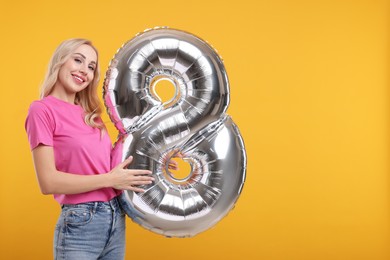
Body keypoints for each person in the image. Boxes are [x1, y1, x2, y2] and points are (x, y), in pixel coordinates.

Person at [25, 38, 155, 259]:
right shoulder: (42, 110)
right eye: (78, 60)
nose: (84, 70)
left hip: (115, 216)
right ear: (60, 61)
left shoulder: (90, 115)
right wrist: (109, 180)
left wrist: (154, 157)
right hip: (80, 222)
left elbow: (110, 164)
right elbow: (48, 182)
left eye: (91, 67)